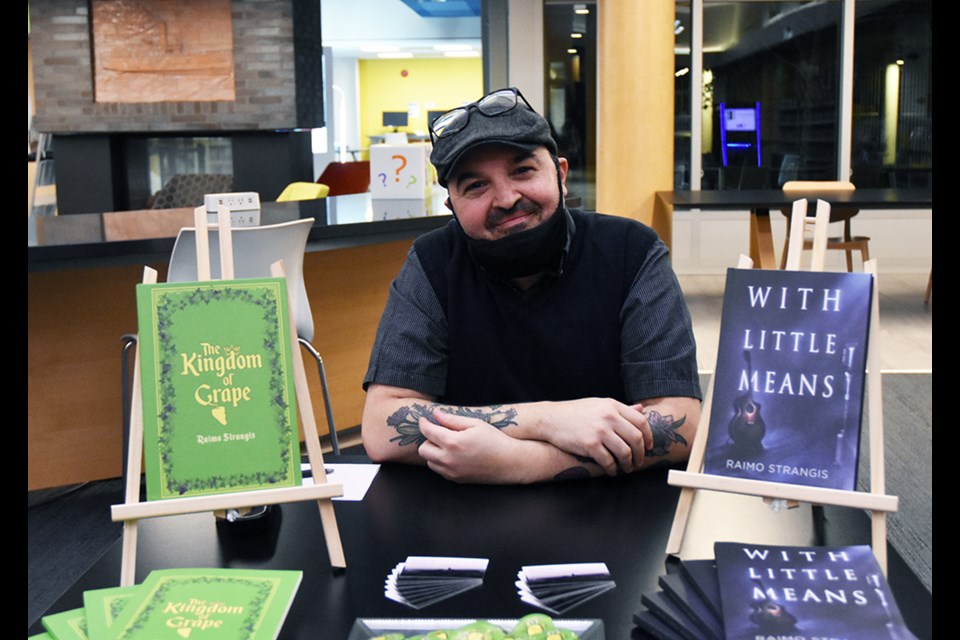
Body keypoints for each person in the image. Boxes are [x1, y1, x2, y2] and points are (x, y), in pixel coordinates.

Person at [361, 87, 702, 484]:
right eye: (476, 186)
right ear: (451, 205)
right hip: (462, 517)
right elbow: (381, 429)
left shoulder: (632, 252)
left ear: (559, 173)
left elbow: (683, 422)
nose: (506, 198)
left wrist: (522, 462)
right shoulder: (432, 264)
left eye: (523, 171)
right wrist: (549, 420)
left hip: (615, 515)